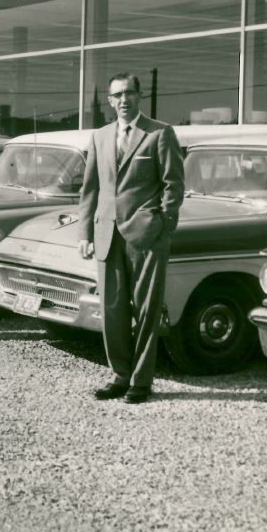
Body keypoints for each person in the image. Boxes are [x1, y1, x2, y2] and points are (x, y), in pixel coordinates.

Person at [78, 72, 185, 405]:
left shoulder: (159, 134)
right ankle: (120, 375)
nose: (124, 100)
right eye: (117, 95)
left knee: (146, 310)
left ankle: (141, 380)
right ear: (110, 101)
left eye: (129, 94)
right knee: (112, 310)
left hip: (146, 236)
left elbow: (174, 185)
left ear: (140, 96)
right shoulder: (100, 136)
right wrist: (85, 232)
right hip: (107, 233)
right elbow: (90, 188)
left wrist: (162, 226)